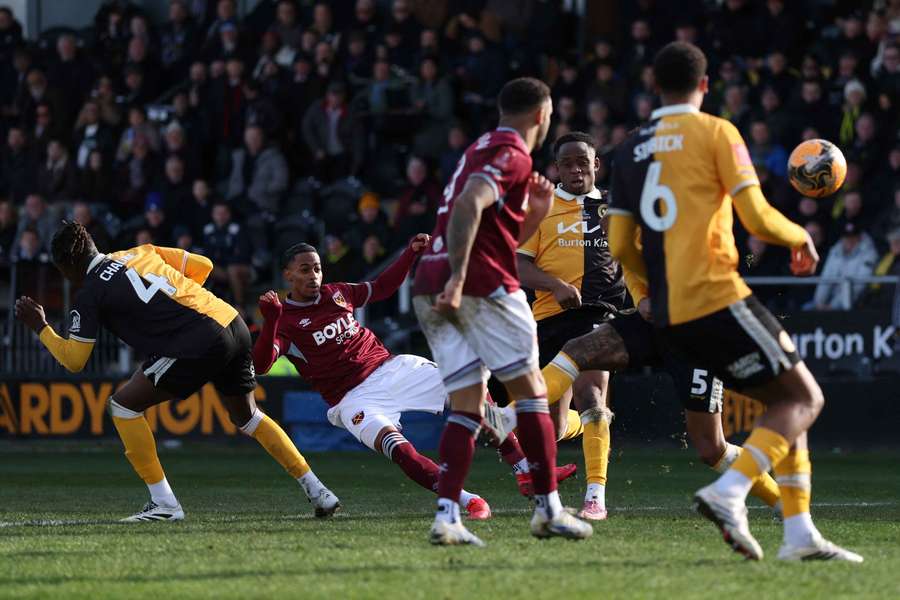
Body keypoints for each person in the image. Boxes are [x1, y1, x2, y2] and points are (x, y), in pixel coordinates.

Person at [606, 41, 861, 562]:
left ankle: (799, 534)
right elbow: (757, 215)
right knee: (806, 399)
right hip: (717, 295)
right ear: (705, 85)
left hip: (671, 314)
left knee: (785, 403)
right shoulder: (717, 131)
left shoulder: (630, 149)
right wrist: (799, 238)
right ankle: (729, 492)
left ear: (655, 87)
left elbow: (616, 246)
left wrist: (648, 291)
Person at [14, 221, 339, 522]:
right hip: (231, 321)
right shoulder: (140, 251)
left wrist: (40, 327)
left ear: (68, 264)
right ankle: (319, 492)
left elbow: (74, 360)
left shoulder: (90, 293)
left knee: (123, 406)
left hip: (197, 338)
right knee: (248, 417)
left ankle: (164, 503)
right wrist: (175, 304)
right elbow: (204, 266)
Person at [252, 238, 568, 517]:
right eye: (305, 270)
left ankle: (524, 468)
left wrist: (409, 255)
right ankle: (468, 501)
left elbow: (383, 287)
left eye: (317, 268)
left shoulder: (338, 293)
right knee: (399, 450)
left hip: (393, 369)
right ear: (288, 275)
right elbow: (262, 364)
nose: (314, 276)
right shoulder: (284, 319)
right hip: (353, 399)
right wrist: (270, 322)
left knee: (469, 384)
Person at [413, 77, 592, 546]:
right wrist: (458, 276)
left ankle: (447, 518)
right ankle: (549, 510)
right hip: (478, 285)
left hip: (428, 285)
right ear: (541, 115)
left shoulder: (479, 147)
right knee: (533, 394)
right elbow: (471, 203)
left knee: (468, 407)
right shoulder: (513, 154)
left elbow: (492, 229)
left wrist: (532, 216)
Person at [515, 131, 623, 521]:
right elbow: (519, 264)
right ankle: (593, 429)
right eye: (568, 163)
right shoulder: (541, 208)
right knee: (557, 427)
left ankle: (596, 496)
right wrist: (555, 285)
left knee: (593, 396)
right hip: (550, 318)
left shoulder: (616, 207)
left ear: (596, 164)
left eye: (583, 161)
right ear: (557, 169)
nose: (576, 169)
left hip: (598, 314)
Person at [812, 220, 878, 310]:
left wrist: (833, 306)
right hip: (828, 304)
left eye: (853, 238)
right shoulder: (835, 251)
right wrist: (819, 303)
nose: (849, 241)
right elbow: (826, 278)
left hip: (855, 305)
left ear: (859, 237)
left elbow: (859, 286)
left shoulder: (869, 253)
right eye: (846, 237)